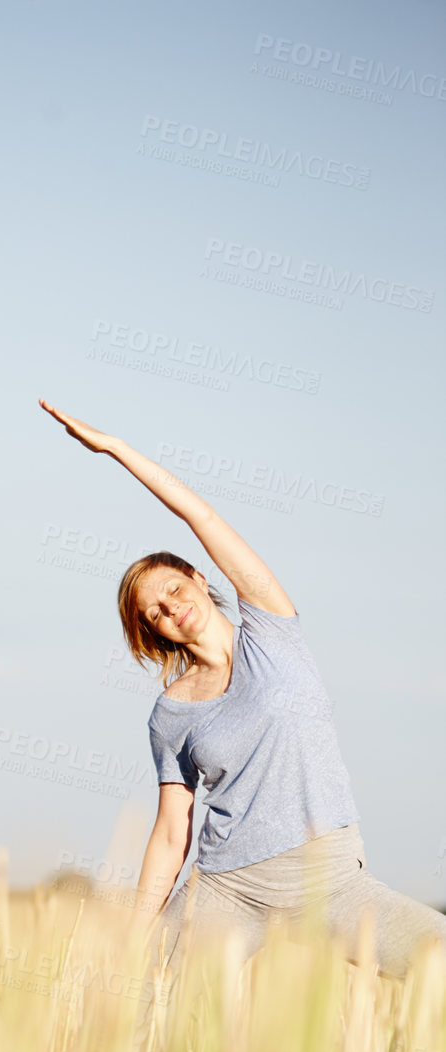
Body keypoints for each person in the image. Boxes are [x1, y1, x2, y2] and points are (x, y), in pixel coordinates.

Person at [38, 399, 446, 977]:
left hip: (325, 876)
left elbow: (200, 517)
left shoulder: (271, 628)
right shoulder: (171, 712)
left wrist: (118, 449)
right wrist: (134, 936)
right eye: (155, 612)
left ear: (201, 579)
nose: (172, 610)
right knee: (142, 1010)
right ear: (152, 631)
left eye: (175, 590)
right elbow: (172, 829)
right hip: (226, 886)